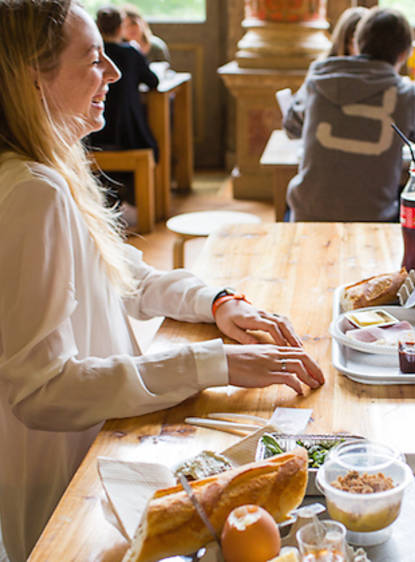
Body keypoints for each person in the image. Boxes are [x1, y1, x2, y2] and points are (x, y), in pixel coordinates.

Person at [0, 2, 324, 560]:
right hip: (67, 480)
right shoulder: (32, 191)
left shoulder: (49, 168)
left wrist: (217, 301)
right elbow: (41, 392)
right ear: (34, 77)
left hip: (106, 440)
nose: (116, 73)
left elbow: (122, 271)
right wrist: (213, 364)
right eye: (93, 59)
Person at [283, 7, 415, 222]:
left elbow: (291, 127)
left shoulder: (318, 80)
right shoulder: (408, 96)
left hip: (308, 216)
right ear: (404, 54)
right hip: (374, 219)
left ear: (357, 44)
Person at [87, 5, 159, 210]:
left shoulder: (90, 55)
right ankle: (139, 198)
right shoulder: (130, 53)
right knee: (152, 143)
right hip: (127, 134)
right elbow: (153, 81)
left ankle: (110, 195)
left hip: (93, 136)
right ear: (121, 28)